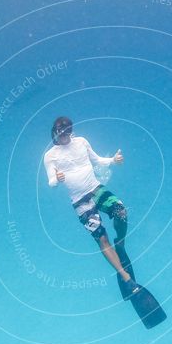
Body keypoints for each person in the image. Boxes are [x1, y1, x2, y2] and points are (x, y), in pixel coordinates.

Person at [43, 116, 140, 299]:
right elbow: (51, 182)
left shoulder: (81, 142)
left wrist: (113, 160)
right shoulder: (50, 156)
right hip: (80, 201)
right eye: (61, 133)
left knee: (121, 212)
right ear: (55, 133)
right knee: (101, 239)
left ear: (71, 130)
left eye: (68, 132)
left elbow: (97, 160)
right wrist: (57, 178)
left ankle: (120, 242)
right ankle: (127, 278)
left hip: (96, 189)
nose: (65, 136)